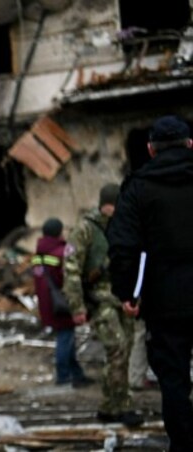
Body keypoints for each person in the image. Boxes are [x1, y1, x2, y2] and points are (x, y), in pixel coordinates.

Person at [108, 115, 193, 451]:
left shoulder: (137, 188)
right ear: (190, 145)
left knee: (172, 381)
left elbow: (123, 247)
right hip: (168, 300)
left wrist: (127, 292)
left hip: (165, 303)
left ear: (150, 150)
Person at [62, 183, 143, 427]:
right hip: (99, 301)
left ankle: (110, 406)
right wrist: (77, 307)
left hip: (123, 299)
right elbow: (71, 269)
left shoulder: (125, 226)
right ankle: (122, 406)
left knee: (124, 352)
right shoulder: (86, 229)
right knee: (117, 348)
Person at [32, 217, 92, 387]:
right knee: (65, 338)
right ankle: (63, 376)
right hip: (62, 303)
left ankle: (76, 374)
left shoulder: (39, 253)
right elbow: (69, 279)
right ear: (59, 232)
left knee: (67, 337)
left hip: (47, 302)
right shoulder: (61, 252)